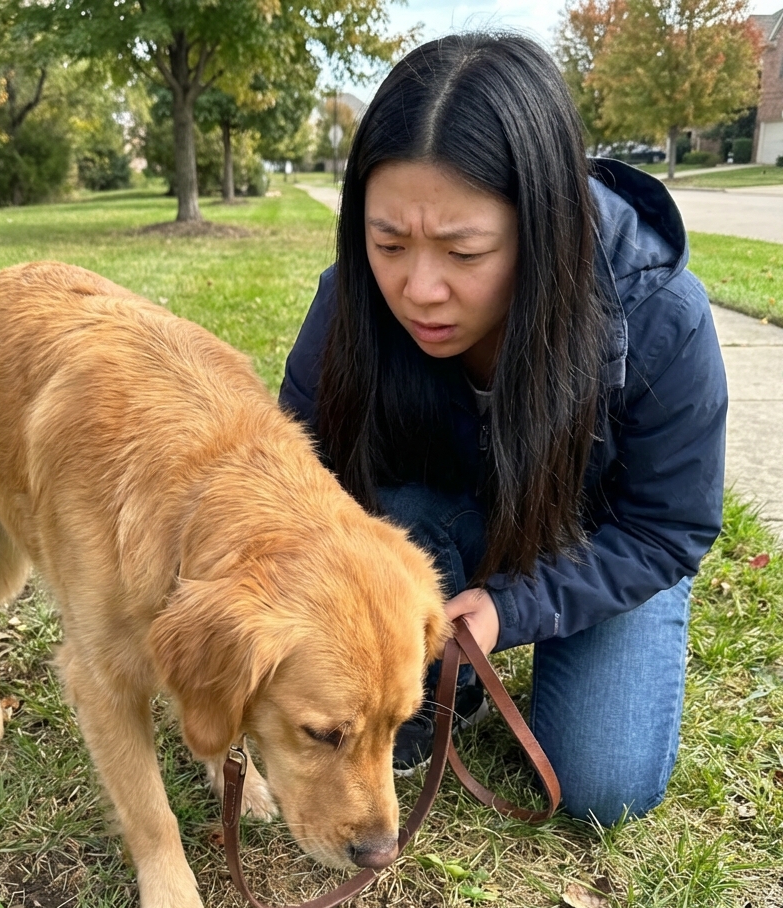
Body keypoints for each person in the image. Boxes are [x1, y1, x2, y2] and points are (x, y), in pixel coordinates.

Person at [278, 34, 727, 826]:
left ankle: (505, 647)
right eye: (388, 244)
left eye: (464, 250)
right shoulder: (349, 301)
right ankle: (459, 682)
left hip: (599, 542)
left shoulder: (657, 316)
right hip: (435, 522)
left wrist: (514, 608)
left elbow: (667, 526)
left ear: (544, 228)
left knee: (601, 784)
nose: (419, 289)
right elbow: (291, 471)